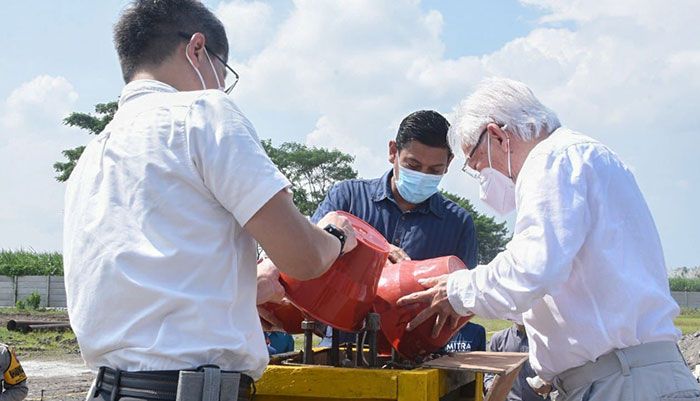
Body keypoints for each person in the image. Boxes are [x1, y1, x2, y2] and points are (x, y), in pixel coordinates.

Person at [63, 1, 357, 401]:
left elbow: (151, 286)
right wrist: (336, 237)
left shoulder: (93, 156)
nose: (221, 85)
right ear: (197, 49)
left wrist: (242, 293)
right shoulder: (203, 112)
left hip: (110, 389)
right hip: (191, 391)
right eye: (224, 72)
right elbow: (304, 258)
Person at [398, 78, 700, 401]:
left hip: (621, 382)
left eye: (478, 166)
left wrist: (456, 289)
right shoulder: (584, 156)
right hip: (628, 377)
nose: (484, 182)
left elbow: (531, 270)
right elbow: (565, 285)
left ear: (497, 137)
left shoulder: (551, 161)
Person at [305, 110, 478, 346]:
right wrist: (372, 252)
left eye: (434, 170)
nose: (421, 175)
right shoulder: (347, 198)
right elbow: (309, 257)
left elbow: (465, 297)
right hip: (340, 343)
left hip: (414, 352)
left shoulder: (458, 223)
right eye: (413, 165)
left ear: (448, 164)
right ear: (393, 151)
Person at [483, 323, 551, 401]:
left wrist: (550, 387)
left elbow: (559, 373)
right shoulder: (498, 338)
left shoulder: (545, 340)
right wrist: (491, 387)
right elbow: (489, 374)